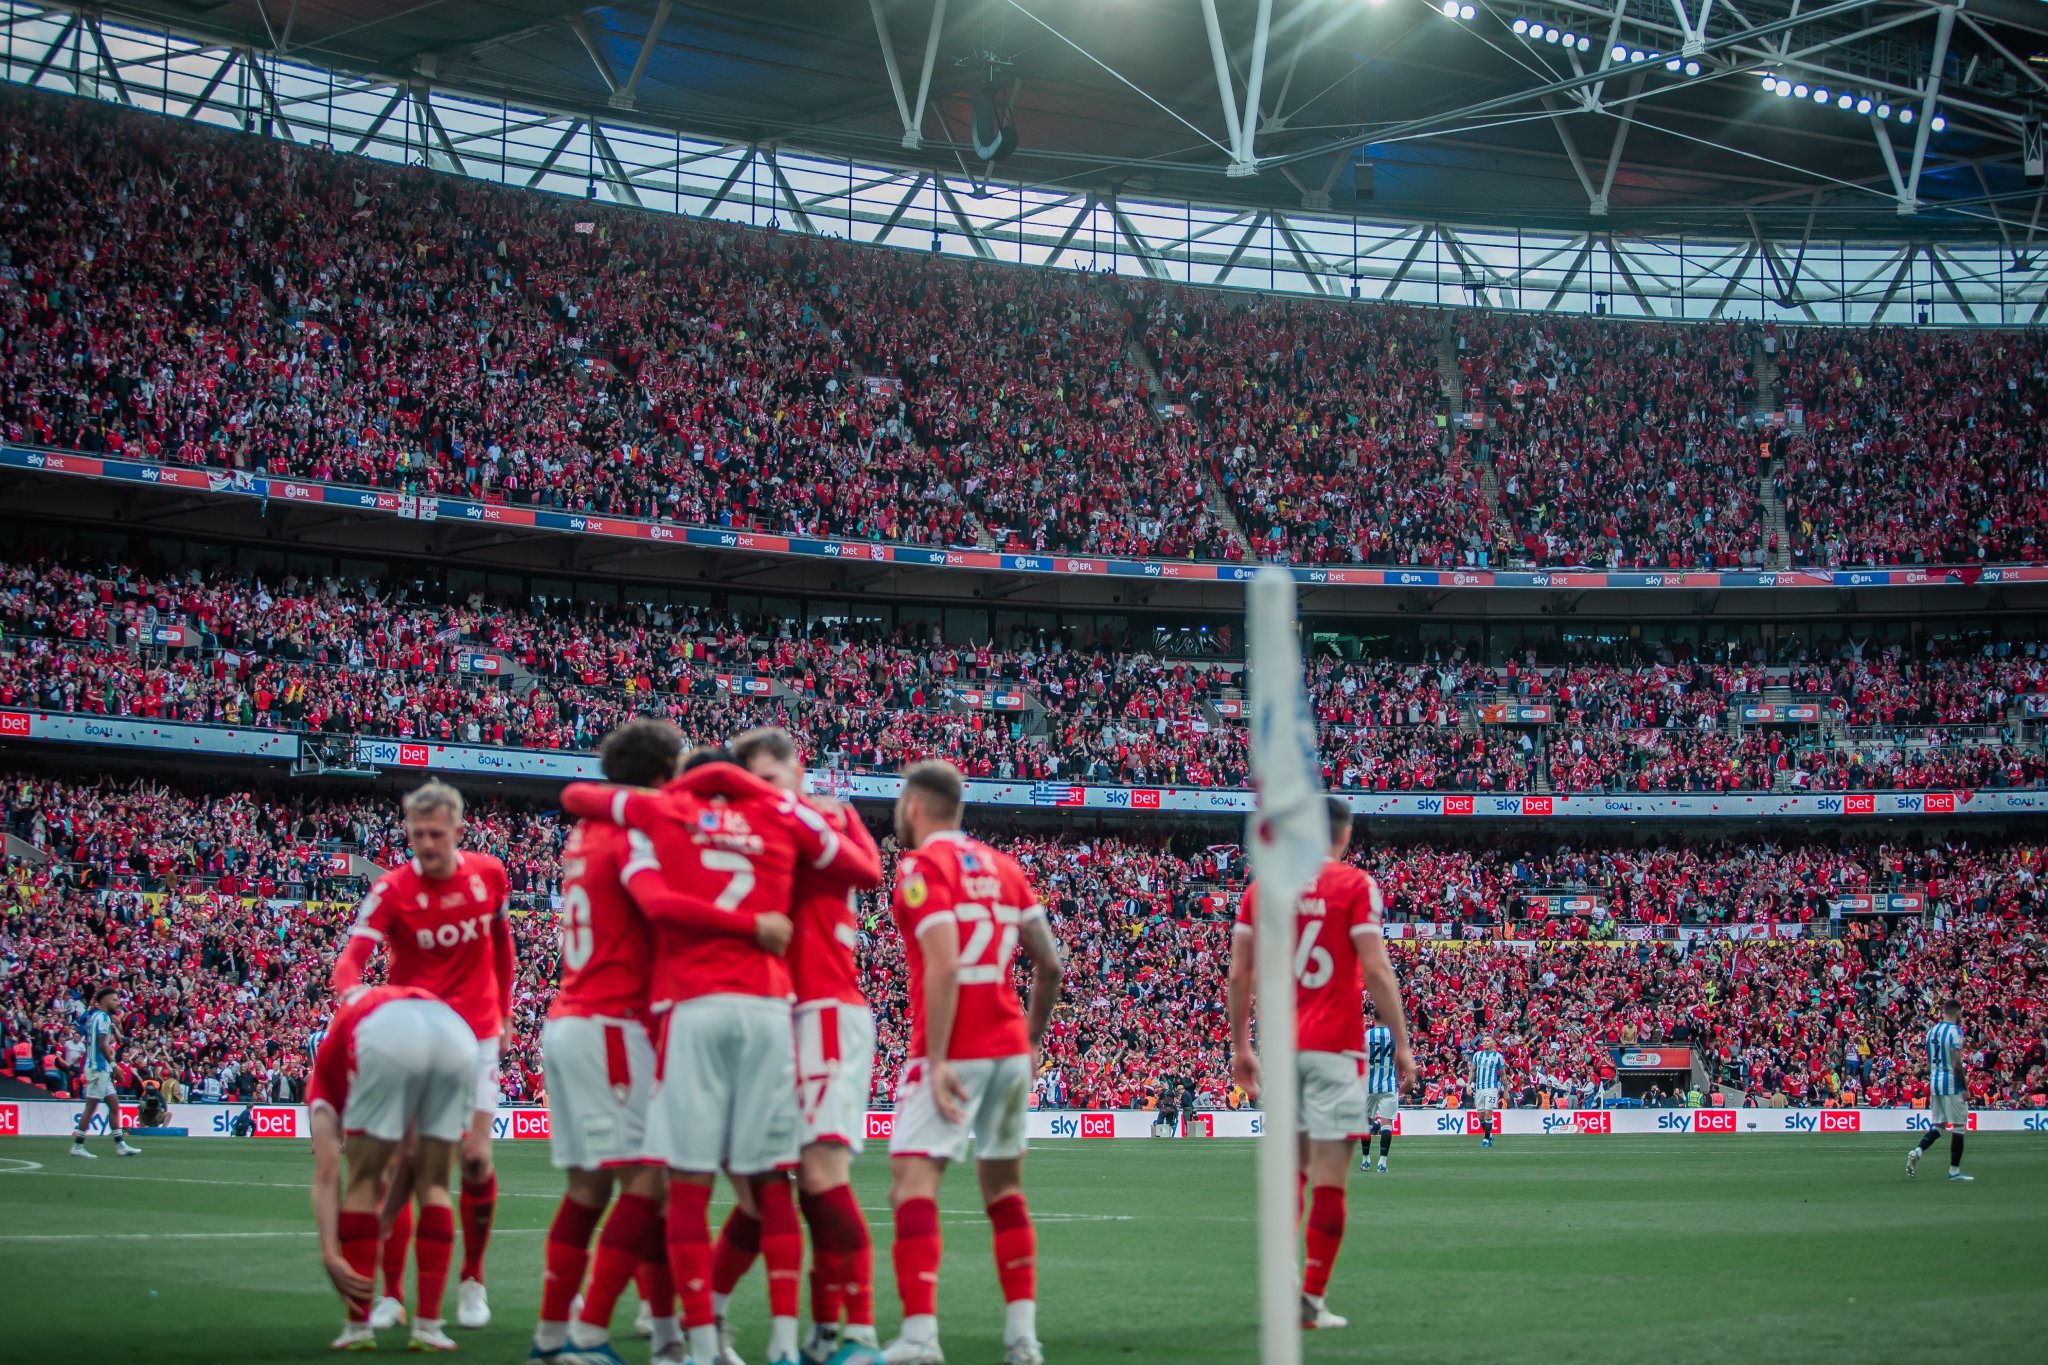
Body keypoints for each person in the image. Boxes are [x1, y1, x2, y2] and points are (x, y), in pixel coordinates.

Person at [560, 745, 856, 1365]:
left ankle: (690, 1340)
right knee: (769, 1183)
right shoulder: (780, 816)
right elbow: (865, 867)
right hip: (769, 1007)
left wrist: (680, 792)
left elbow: (575, 796)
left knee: (681, 1184)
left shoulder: (669, 815)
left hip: (688, 1007)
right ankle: (780, 1345)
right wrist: (777, 798)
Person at [700, 726, 887, 1364]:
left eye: (773, 781)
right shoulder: (756, 829)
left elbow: (868, 869)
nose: (764, 795)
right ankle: (740, 1322)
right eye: (753, 785)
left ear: (798, 774)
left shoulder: (821, 819)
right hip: (767, 1015)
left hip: (825, 1010)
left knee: (820, 1178)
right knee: (769, 1190)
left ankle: (858, 1332)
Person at [883, 760, 1063, 1365]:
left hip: (955, 1049)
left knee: (912, 1187)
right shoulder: (1005, 868)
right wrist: (1031, 1041)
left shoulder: (919, 869)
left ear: (914, 806)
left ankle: (920, 1338)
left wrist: (936, 1059)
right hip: (1009, 1048)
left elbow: (943, 965)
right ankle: (1023, 1340)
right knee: (1005, 1191)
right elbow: (1050, 965)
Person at [533, 719, 688, 1365]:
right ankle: (590, 1334)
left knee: (593, 1189)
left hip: (576, 1017)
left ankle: (565, 1338)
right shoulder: (632, 835)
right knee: (648, 1181)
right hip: (611, 1026)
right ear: (660, 775)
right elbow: (659, 906)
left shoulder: (587, 831)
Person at [1228, 795, 1415, 1331]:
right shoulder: (1354, 885)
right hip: (1336, 1050)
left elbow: (1240, 974)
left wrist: (1241, 1046)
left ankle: (1283, 1283)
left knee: (1291, 1172)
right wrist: (1401, 1043)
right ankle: (1310, 1300)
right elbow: (1375, 968)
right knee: (1331, 1181)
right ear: (1344, 835)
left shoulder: (1262, 889)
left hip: (1282, 1049)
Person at [332, 780, 514, 1330]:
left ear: (458, 831)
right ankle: (391, 1295)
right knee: (402, 1165)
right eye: (418, 835)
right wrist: (355, 999)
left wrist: (505, 1012)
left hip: (477, 1030)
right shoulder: (391, 889)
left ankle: (472, 1280)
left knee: (476, 1159)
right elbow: (350, 961)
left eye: (437, 834)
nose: (427, 844)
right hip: (413, 1035)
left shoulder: (489, 874)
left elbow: (502, 947)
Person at [309, 983, 478, 1353]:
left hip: (389, 1032)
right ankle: (429, 1327)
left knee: (362, 1181)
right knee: (435, 1184)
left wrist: (330, 1254)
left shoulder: (324, 1079)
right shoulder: (361, 1023)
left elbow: (327, 1173)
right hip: (456, 1033)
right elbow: (410, 1159)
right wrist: (385, 1219)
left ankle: (357, 1328)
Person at [69, 985, 139, 1158]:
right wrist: (115, 1065)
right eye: (114, 999)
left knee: (114, 1105)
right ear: (104, 1001)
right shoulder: (103, 1018)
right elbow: (102, 1044)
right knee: (91, 1107)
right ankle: (78, 1145)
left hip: (100, 1068)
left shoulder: (95, 1016)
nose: (117, 1002)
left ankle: (121, 1145)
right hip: (98, 1068)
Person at [1908, 998, 1973, 1182]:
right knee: (1958, 1126)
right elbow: (1956, 1063)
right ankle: (1954, 1171)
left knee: (1939, 1125)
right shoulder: (1955, 1031)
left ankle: (1918, 1151)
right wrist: (1965, 1088)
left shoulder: (1932, 1031)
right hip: (1951, 1082)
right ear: (1957, 1012)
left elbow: (1930, 1061)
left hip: (1935, 1081)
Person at [1359, 1002, 1398, 1174]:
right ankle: (1382, 1163)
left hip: (1368, 1085)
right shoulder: (1394, 1036)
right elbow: (1399, 1059)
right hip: (1389, 1084)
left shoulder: (1366, 1036)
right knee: (1386, 1124)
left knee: (1366, 1123)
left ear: (1372, 1017)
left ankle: (1366, 1159)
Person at [1470, 1035, 1508, 1147]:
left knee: (1488, 1113)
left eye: (1488, 1041)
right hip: (1479, 1088)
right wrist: (1468, 1084)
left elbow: (1503, 1075)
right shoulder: (1477, 1055)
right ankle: (1489, 1134)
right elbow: (1473, 1071)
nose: (1485, 1043)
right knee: (1480, 1116)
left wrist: (1506, 1090)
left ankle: (1486, 1139)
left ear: (1493, 1043)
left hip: (1491, 1088)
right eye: (1484, 1041)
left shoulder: (1498, 1057)